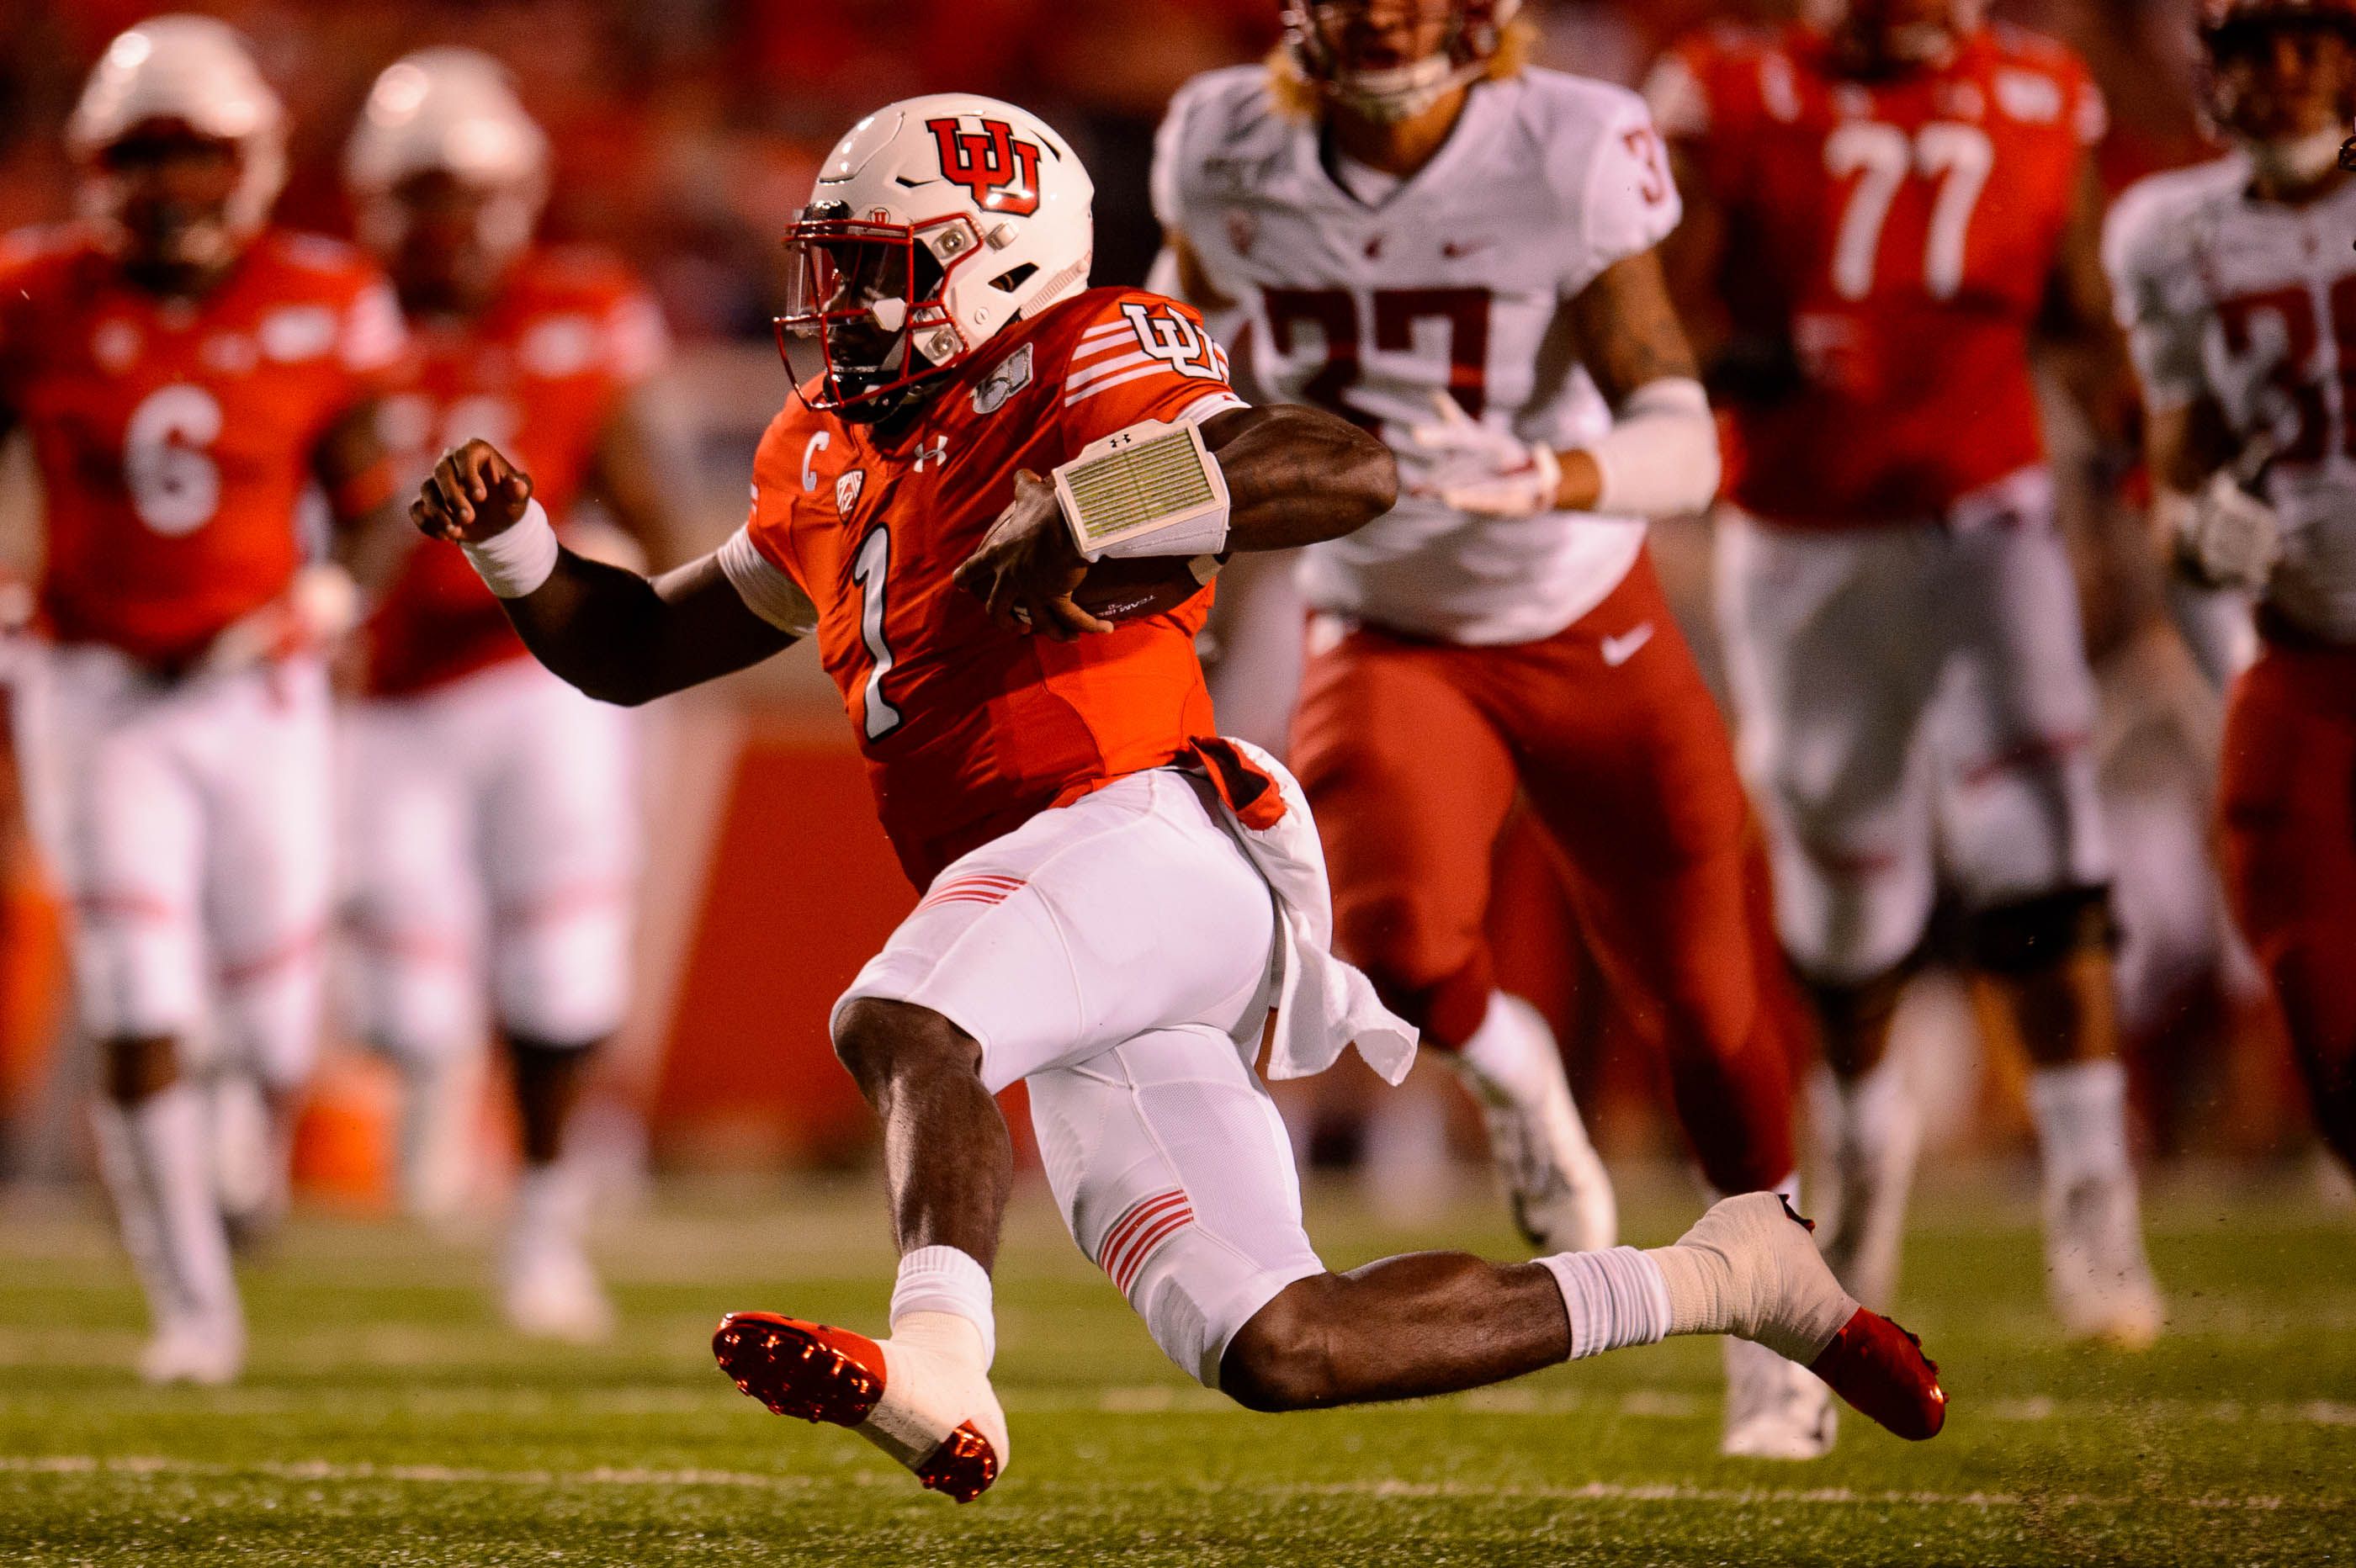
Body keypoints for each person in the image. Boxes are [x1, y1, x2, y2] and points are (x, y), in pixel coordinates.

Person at [412, 91, 1945, 1502]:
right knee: (1283, 1346)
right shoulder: (821, 447)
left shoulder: (1081, 353)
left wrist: (1099, 496)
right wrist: (518, 549)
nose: (849, 306)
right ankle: (1731, 1275)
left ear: (998, 264)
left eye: (885, 268)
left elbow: (1334, 468)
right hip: (1068, 914)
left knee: (903, 1023)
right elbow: (635, 648)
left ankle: (945, 1367)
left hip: (1141, 829)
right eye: (840, 267)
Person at [1154, 0, 1826, 1455]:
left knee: (1707, 1004)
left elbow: (1684, 432)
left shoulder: (1566, 143)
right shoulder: (1223, 141)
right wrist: (1147, 537)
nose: (1385, 16)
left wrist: (1555, 474)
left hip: (1586, 609)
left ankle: (1777, 1306)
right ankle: (1513, 1073)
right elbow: (1167, 375)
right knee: (1389, 945)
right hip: (1386, 617)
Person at [1648, 0, 2164, 1345]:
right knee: (1841, 887)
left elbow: (2084, 312)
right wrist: (1754, 362)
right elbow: (1649, 328)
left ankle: (2094, 1197)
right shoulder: (1731, 90)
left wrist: (2137, 456)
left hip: (1987, 520)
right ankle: (1867, 1145)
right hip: (1802, 545)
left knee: (2047, 829)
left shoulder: (2047, 94)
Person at [0, 15, 408, 1382]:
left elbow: (372, 504)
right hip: (93, 683)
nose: (168, 184)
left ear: (252, 162)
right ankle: (191, 1306)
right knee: (132, 990)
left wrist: (326, 596)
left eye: (194, 154)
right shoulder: (33, 291)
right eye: (143, 154)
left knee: (273, 1010)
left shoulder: (327, 295)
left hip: (259, 687)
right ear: (96, 162)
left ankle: (239, 1147)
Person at [340, 49, 682, 1341]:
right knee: (400, 1001)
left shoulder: (586, 305)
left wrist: (647, 616)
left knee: (560, 956)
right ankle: (437, 1101)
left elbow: (656, 498)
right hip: (379, 688)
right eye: (419, 193)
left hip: (540, 680)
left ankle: (543, 1224)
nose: (446, 223)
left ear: (521, 192)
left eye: (467, 192)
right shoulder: (332, 313)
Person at [2106, 0, 2356, 1185]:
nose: (2289, 75)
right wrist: (2204, 534)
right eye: (2259, 50)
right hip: (2301, 660)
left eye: (2314, 46)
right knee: (2328, 1022)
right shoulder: (2169, 233)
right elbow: (2177, 485)